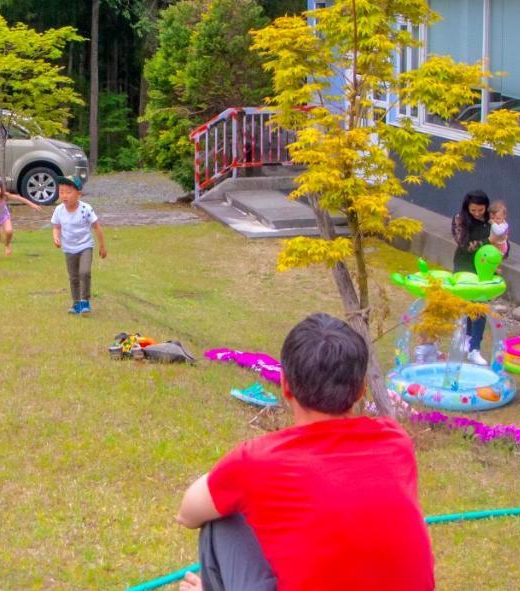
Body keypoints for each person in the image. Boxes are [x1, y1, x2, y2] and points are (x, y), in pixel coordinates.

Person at [174, 314, 434, 591]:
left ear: (285, 385)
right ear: (361, 390)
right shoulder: (396, 442)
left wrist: (228, 479)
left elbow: (188, 514)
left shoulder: (258, 462)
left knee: (220, 520)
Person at [50, 175, 106, 315]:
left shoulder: (86, 209)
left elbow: (97, 227)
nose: (64, 195)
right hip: (69, 249)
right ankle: (76, 304)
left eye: (68, 192)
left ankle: (85, 301)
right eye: (61, 192)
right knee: (73, 277)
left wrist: (102, 245)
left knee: (84, 272)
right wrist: (56, 237)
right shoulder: (59, 210)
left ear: (78, 194)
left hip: (85, 246)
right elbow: (56, 227)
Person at [451, 190, 491, 364]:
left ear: (486, 207)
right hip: (464, 266)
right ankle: (468, 341)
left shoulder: (491, 219)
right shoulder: (460, 219)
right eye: (473, 210)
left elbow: (503, 242)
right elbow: (465, 245)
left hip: (483, 269)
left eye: (480, 210)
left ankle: (475, 348)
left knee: (479, 308)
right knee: (468, 306)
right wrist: (490, 240)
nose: (477, 213)